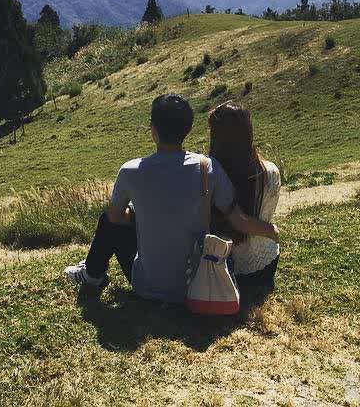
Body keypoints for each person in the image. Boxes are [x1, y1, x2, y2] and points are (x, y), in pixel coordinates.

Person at [64, 93, 279, 303]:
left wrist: (140, 213)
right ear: (188, 129)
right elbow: (237, 219)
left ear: (153, 130)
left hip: (146, 286)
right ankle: (91, 271)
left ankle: (92, 274)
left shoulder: (130, 171)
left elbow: (115, 217)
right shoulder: (208, 168)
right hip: (196, 283)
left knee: (107, 219)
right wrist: (272, 231)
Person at [207, 102, 281, 288]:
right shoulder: (270, 172)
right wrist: (272, 231)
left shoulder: (208, 174)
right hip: (264, 266)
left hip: (221, 270)